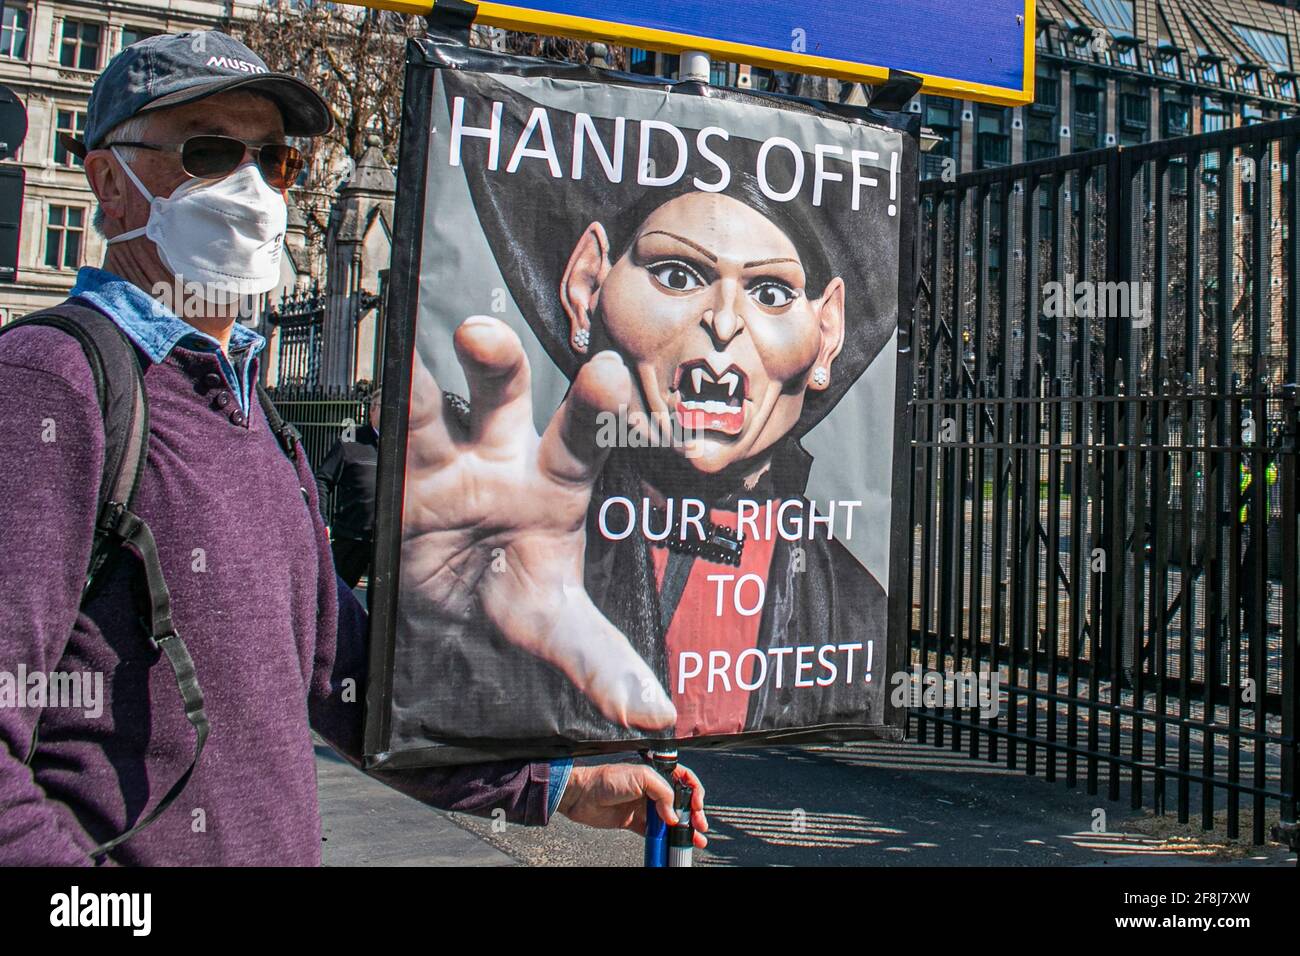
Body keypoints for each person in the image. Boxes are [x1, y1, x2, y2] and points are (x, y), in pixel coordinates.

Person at [0, 31, 706, 866]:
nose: (253, 187)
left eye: (275, 160)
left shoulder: (245, 403)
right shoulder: (50, 383)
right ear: (108, 184)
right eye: (210, 152)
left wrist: (552, 784)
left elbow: (340, 678)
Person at [395, 174, 893, 747]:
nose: (725, 322)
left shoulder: (856, 611)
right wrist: (442, 618)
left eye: (771, 293)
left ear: (825, 332)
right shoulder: (512, 541)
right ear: (588, 289)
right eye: (678, 276)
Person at [316, 387, 381, 600]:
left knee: (381, 605)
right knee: (334, 597)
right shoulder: (351, 441)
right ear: (372, 411)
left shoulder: (407, 444)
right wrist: (322, 521)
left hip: (387, 539)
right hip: (352, 536)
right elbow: (323, 480)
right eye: (382, 406)